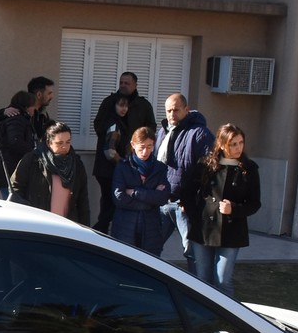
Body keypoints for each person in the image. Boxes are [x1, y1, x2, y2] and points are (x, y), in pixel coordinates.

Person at [181, 123, 262, 297]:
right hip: (203, 229)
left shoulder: (249, 169)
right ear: (222, 144)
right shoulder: (205, 165)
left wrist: (234, 209)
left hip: (231, 231)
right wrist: (195, 217)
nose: (238, 147)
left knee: (222, 279)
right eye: (233, 144)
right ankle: (201, 319)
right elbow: (187, 193)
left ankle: (228, 320)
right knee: (202, 278)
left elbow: (255, 203)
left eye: (241, 143)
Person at [154, 92, 214, 266]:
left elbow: (208, 171)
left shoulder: (200, 134)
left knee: (192, 252)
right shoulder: (163, 132)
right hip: (163, 201)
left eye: (176, 110)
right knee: (151, 247)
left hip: (185, 205)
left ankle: (197, 290)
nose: (172, 115)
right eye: (168, 111)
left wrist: (192, 199)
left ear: (186, 110)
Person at [10, 122, 90, 224]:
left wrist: (85, 228)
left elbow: (83, 200)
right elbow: (15, 188)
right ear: (49, 143)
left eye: (68, 142)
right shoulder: (33, 160)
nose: (65, 147)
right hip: (37, 223)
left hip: (68, 226)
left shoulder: (76, 164)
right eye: (59, 143)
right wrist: (26, 212)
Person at [110, 126, 171, 253]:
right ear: (133, 144)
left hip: (151, 227)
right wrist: (150, 199)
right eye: (142, 147)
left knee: (150, 263)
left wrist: (134, 193)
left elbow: (163, 197)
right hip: (125, 225)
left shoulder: (159, 168)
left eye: (149, 147)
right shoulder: (123, 167)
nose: (145, 152)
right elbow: (119, 198)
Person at [91, 95, 134, 232]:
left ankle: (100, 231)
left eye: (126, 106)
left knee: (108, 203)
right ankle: (99, 231)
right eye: (121, 105)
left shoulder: (115, 122)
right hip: (109, 171)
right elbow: (110, 151)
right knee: (111, 205)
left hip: (105, 171)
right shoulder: (114, 124)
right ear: (113, 106)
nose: (124, 109)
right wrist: (123, 163)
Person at [0, 90, 36, 197]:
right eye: (32, 106)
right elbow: (15, 142)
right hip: (10, 169)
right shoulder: (17, 119)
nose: (34, 109)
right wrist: (33, 152)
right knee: (13, 201)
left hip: (7, 169)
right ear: (27, 106)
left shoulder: (13, 117)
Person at [27, 76, 57, 144]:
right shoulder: (19, 112)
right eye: (49, 93)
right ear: (39, 95)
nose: (52, 96)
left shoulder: (43, 114)